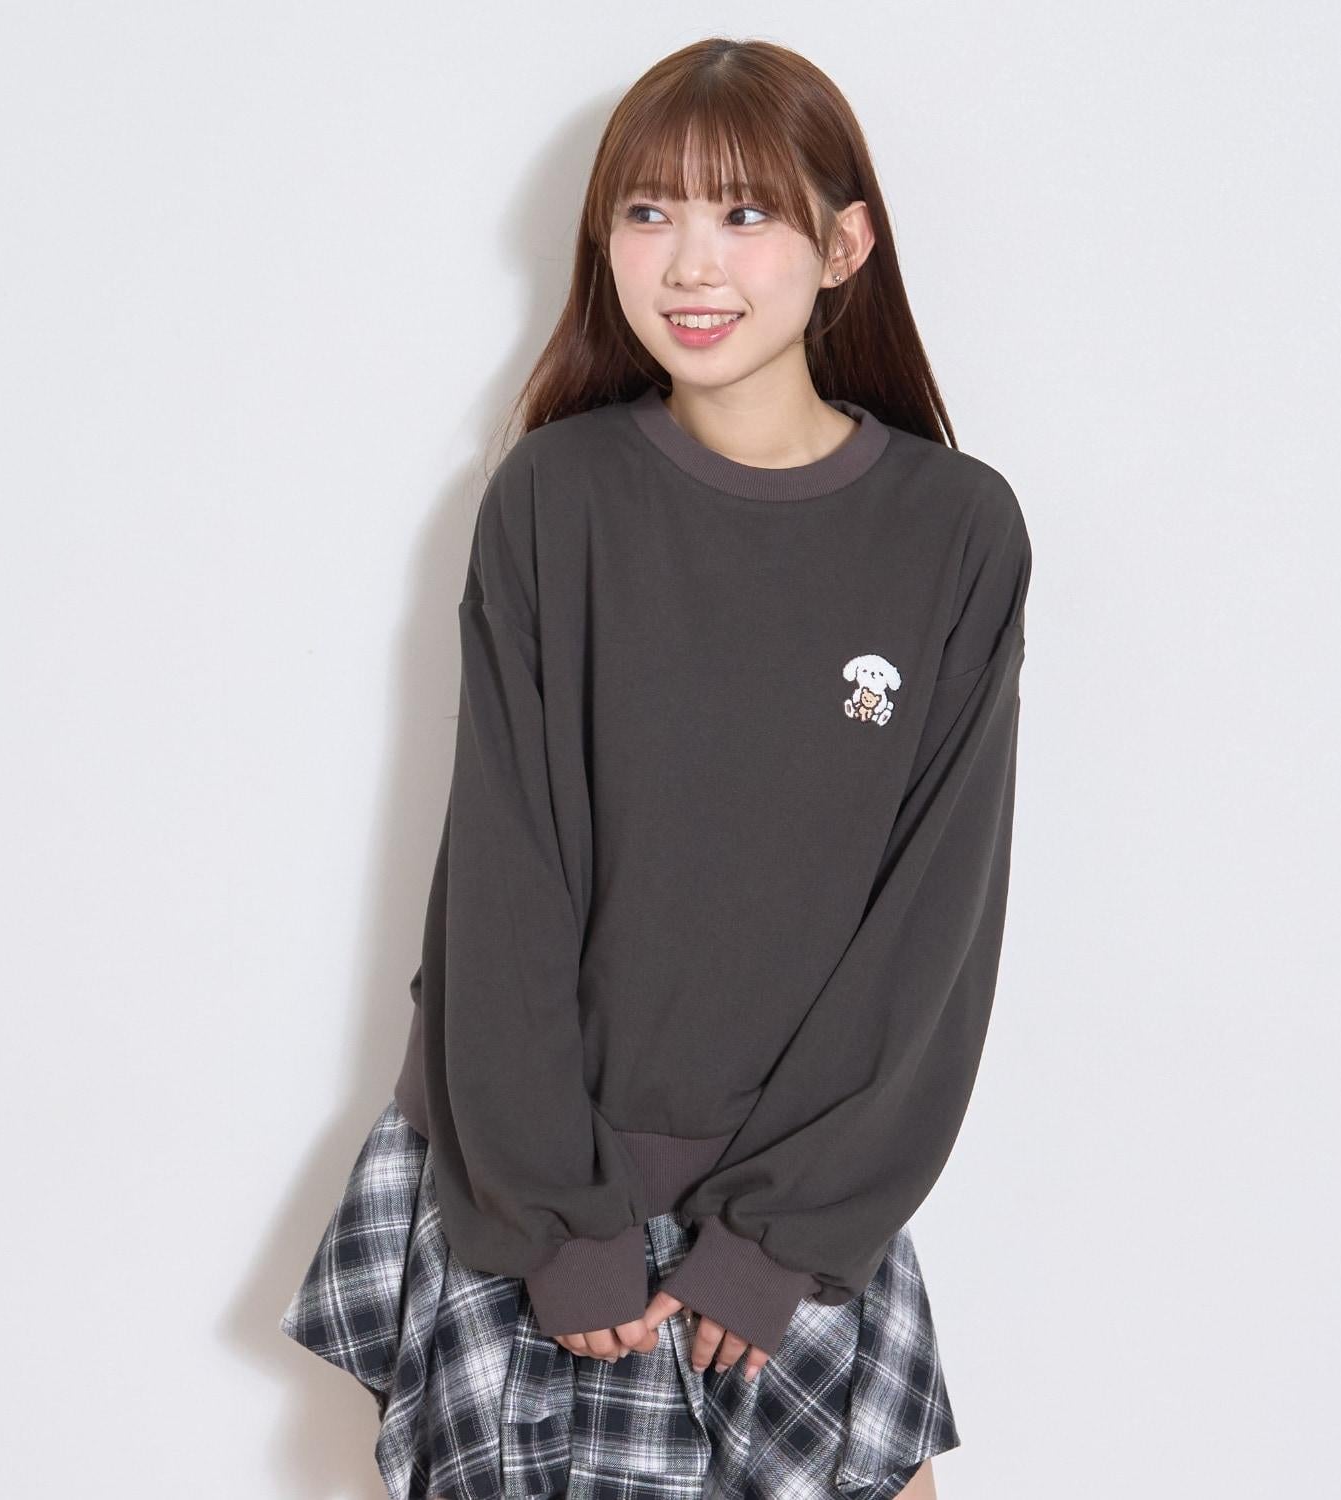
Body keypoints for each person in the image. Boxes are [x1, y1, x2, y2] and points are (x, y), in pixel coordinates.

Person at [280, 34, 1032, 1500]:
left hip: (803, 1206)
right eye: (647, 211)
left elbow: (936, 928)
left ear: (845, 245)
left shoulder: (956, 531)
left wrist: (781, 1239)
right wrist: (561, 1226)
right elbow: (502, 884)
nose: (690, 262)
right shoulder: (554, 499)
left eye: (744, 213)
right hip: (532, 1188)